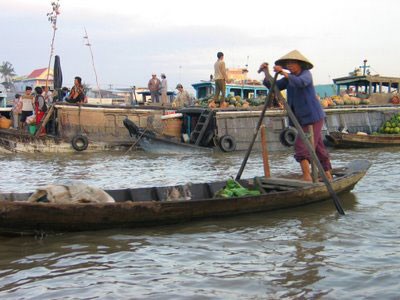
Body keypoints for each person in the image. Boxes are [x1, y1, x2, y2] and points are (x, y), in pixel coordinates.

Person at [259, 50, 333, 181]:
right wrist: (266, 73)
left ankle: (307, 176)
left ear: (300, 64)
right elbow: (273, 86)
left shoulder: (306, 74)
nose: (290, 66)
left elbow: (300, 83)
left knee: (302, 145)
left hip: (313, 117)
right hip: (300, 118)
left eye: (292, 63)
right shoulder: (289, 79)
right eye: (288, 64)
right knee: (318, 148)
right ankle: (327, 174)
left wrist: (283, 72)